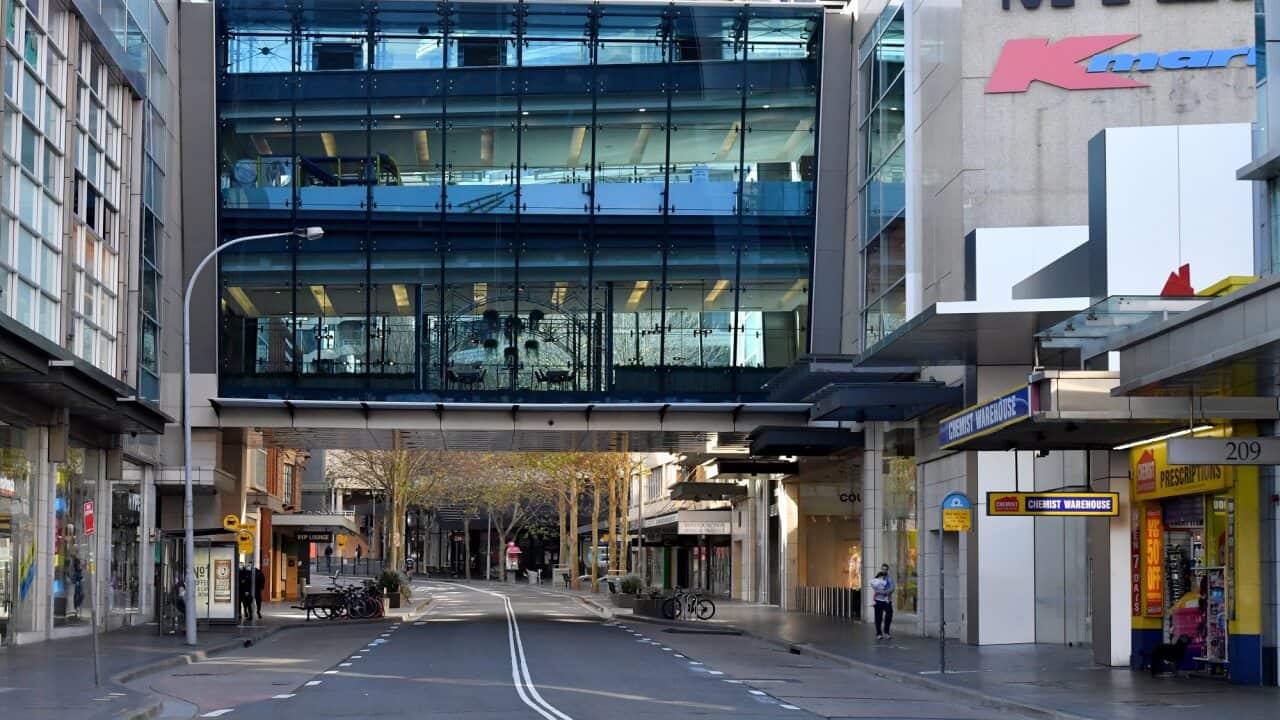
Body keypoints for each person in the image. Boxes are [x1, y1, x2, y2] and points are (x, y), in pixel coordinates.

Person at [871, 564, 895, 640]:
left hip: (887, 600)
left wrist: (884, 592)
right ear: (881, 569)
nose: (884, 570)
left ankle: (886, 632)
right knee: (878, 618)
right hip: (878, 600)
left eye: (885, 569)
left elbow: (892, 588)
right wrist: (878, 590)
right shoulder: (877, 577)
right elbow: (874, 586)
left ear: (887, 570)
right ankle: (879, 633)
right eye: (883, 569)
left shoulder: (890, 579)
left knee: (889, 615)